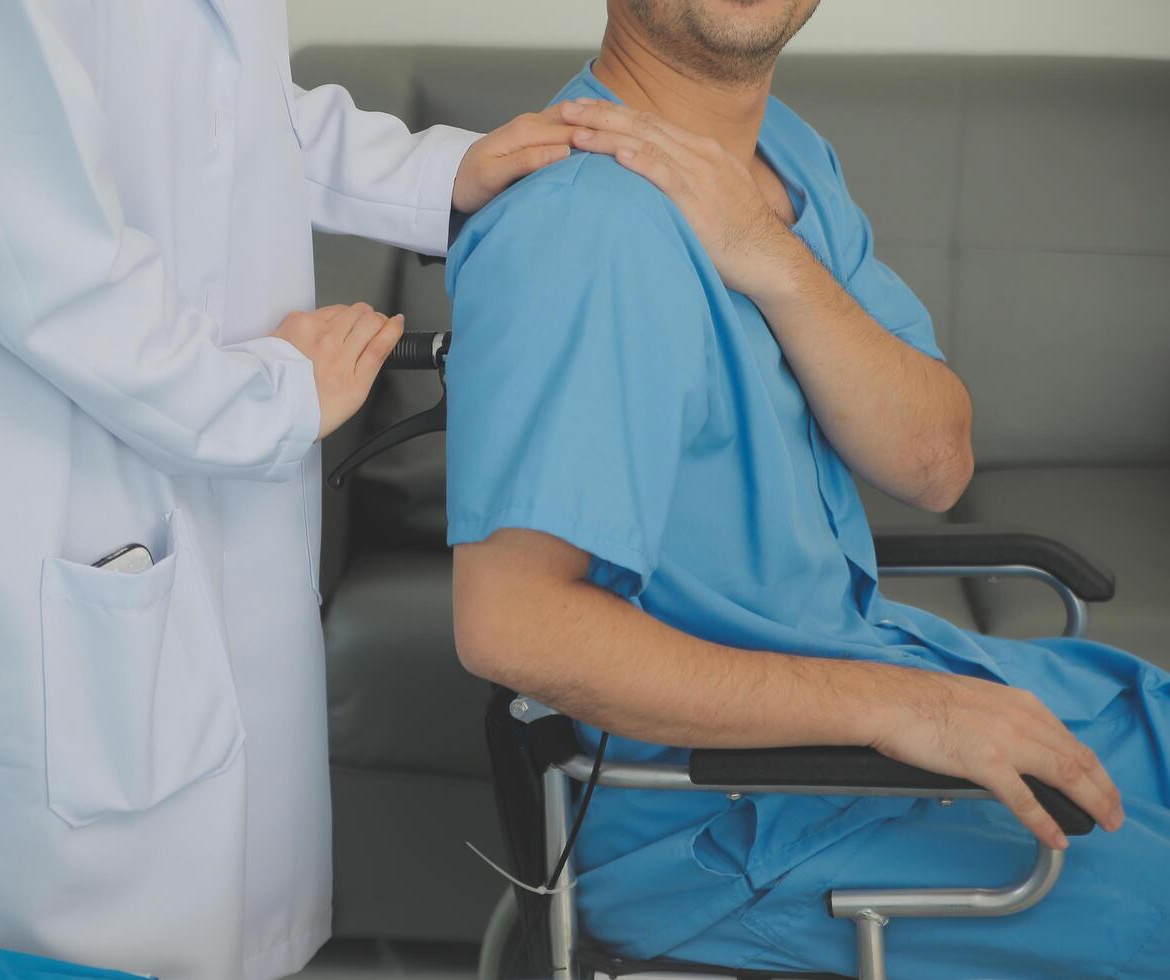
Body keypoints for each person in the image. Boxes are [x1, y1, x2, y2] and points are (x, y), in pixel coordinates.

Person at [0, 2, 603, 978]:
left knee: (202, 897)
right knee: (51, 940)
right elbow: (50, 262)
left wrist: (442, 171)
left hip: (192, 468)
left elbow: (231, 116)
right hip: (56, 495)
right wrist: (270, 394)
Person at [444, 1, 1170, 975]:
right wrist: (895, 706)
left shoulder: (781, 160)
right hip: (735, 829)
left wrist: (766, 250)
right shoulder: (585, 226)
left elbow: (934, 459)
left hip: (876, 700)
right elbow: (514, 625)